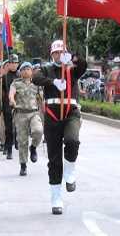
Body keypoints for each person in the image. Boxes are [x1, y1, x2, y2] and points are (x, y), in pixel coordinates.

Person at [32, 40, 87, 215]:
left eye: (61, 52)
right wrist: (53, 82)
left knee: (72, 140)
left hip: (71, 111)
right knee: (54, 159)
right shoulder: (47, 69)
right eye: (55, 53)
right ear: (51, 54)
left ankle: (70, 170)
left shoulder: (72, 69)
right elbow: (35, 78)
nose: (58, 55)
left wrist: (73, 58)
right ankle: (56, 197)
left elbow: (83, 66)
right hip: (53, 114)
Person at [9, 62, 43, 176]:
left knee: (38, 131)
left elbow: (41, 98)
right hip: (21, 115)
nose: (26, 71)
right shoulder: (16, 83)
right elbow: (11, 94)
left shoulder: (37, 84)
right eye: (23, 69)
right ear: (20, 72)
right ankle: (23, 165)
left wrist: (45, 109)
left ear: (32, 71)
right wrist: (12, 100)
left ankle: (33, 147)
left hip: (34, 113)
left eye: (28, 69)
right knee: (22, 141)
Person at [0, 55, 20, 159]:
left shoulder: (21, 75)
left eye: (15, 63)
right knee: (9, 129)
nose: (14, 65)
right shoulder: (3, 78)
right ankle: (9, 149)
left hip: (20, 106)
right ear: (8, 64)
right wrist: (0, 107)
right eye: (12, 63)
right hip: (8, 106)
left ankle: (17, 142)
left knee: (19, 127)